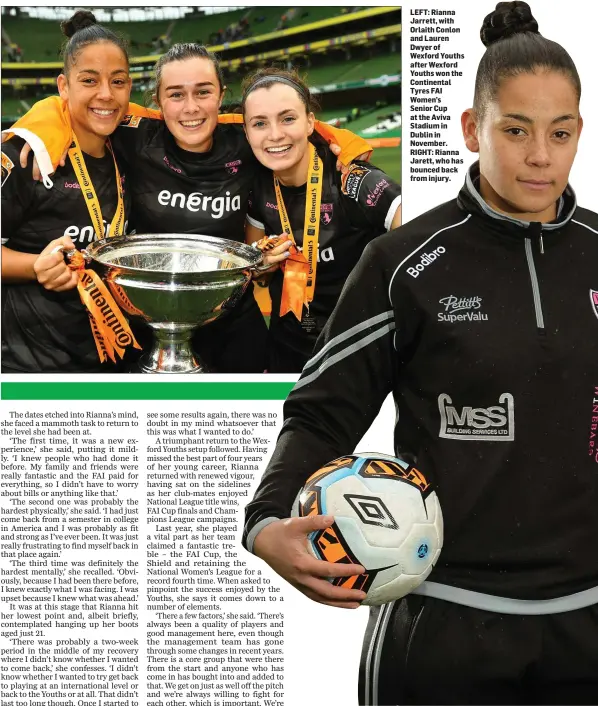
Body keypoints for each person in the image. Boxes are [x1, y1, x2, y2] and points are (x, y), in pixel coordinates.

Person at [243, 3, 598, 704]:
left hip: (588, 620)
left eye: (560, 134)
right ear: (472, 129)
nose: (539, 155)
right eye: (515, 130)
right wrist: (264, 524)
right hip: (441, 625)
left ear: (579, 132)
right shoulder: (403, 263)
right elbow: (321, 412)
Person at [5, 43, 371, 374]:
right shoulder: (134, 135)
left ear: (221, 97)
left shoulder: (245, 138)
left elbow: (297, 125)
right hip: (149, 330)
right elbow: (84, 105)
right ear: (158, 102)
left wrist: (348, 143)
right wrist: (41, 126)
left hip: (234, 331)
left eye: (204, 92)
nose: (191, 107)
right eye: (176, 94)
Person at [242, 68, 402, 373]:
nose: (275, 134)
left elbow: (423, 240)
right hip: (287, 355)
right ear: (247, 133)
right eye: (260, 123)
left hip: (356, 357)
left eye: (288, 118)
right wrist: (261, 264)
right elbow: (258, 273)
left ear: (311, 123)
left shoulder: (350, 178)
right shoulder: (256, 185)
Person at [1, 11, 133, 373]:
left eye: (118, 81)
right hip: (32, 367)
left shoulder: (129, 148)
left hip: (112, 360)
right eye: (89, 80)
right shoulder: (27, 156)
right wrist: (33, 267)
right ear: (64, 86)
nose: (106, 94)